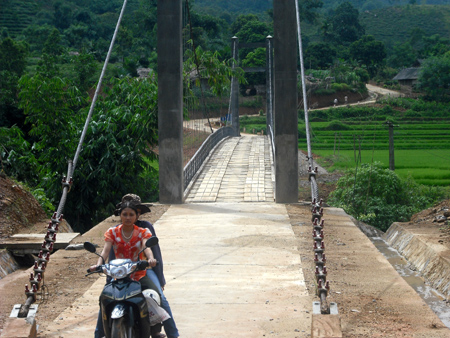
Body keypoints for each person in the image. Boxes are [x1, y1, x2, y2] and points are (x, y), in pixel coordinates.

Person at [94, 194, 179, 338]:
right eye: (125, 214)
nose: (128, 217)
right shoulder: (114, 231)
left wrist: (159, 276)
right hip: (120, 271)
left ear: (138, 213)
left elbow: (152, 252)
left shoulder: (145, 228)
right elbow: (109, 254)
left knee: (159, 297)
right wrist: (104, 270)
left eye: (133, 213)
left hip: (143, 268)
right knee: (105, 298)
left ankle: (169, 333)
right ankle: (99, 334)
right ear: (120, 214)